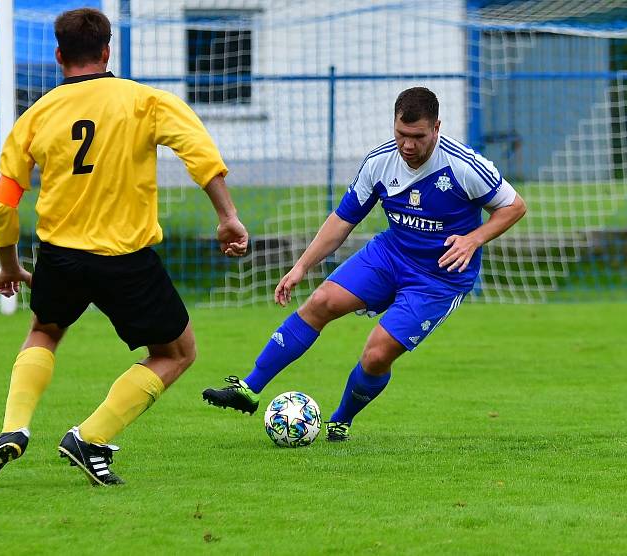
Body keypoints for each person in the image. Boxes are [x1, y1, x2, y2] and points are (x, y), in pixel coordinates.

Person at [0, 7, 248, 487]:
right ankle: (90, 437)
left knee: (44, 332)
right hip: (125, 260)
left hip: (59, 257)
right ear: (106, 51)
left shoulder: (36, 116)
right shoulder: (144, 101)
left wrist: (8, 265)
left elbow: (2, 205)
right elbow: (199, 153)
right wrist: (226, 215)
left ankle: (13, 427)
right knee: (176, 353)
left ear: (58, 56)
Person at [203, 87, 526, 441]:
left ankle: (341, 419)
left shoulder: (463, 165)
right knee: (321, 302)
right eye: (401, 135)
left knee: (376, 355)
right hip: (391, 254)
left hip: (439, 278)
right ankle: (249, 389)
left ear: (437, 127)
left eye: (418, 137)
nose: (407, 146)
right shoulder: (379, 162)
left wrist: (474, 238)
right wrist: (300, 268)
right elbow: (342, 220)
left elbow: (514, 206)